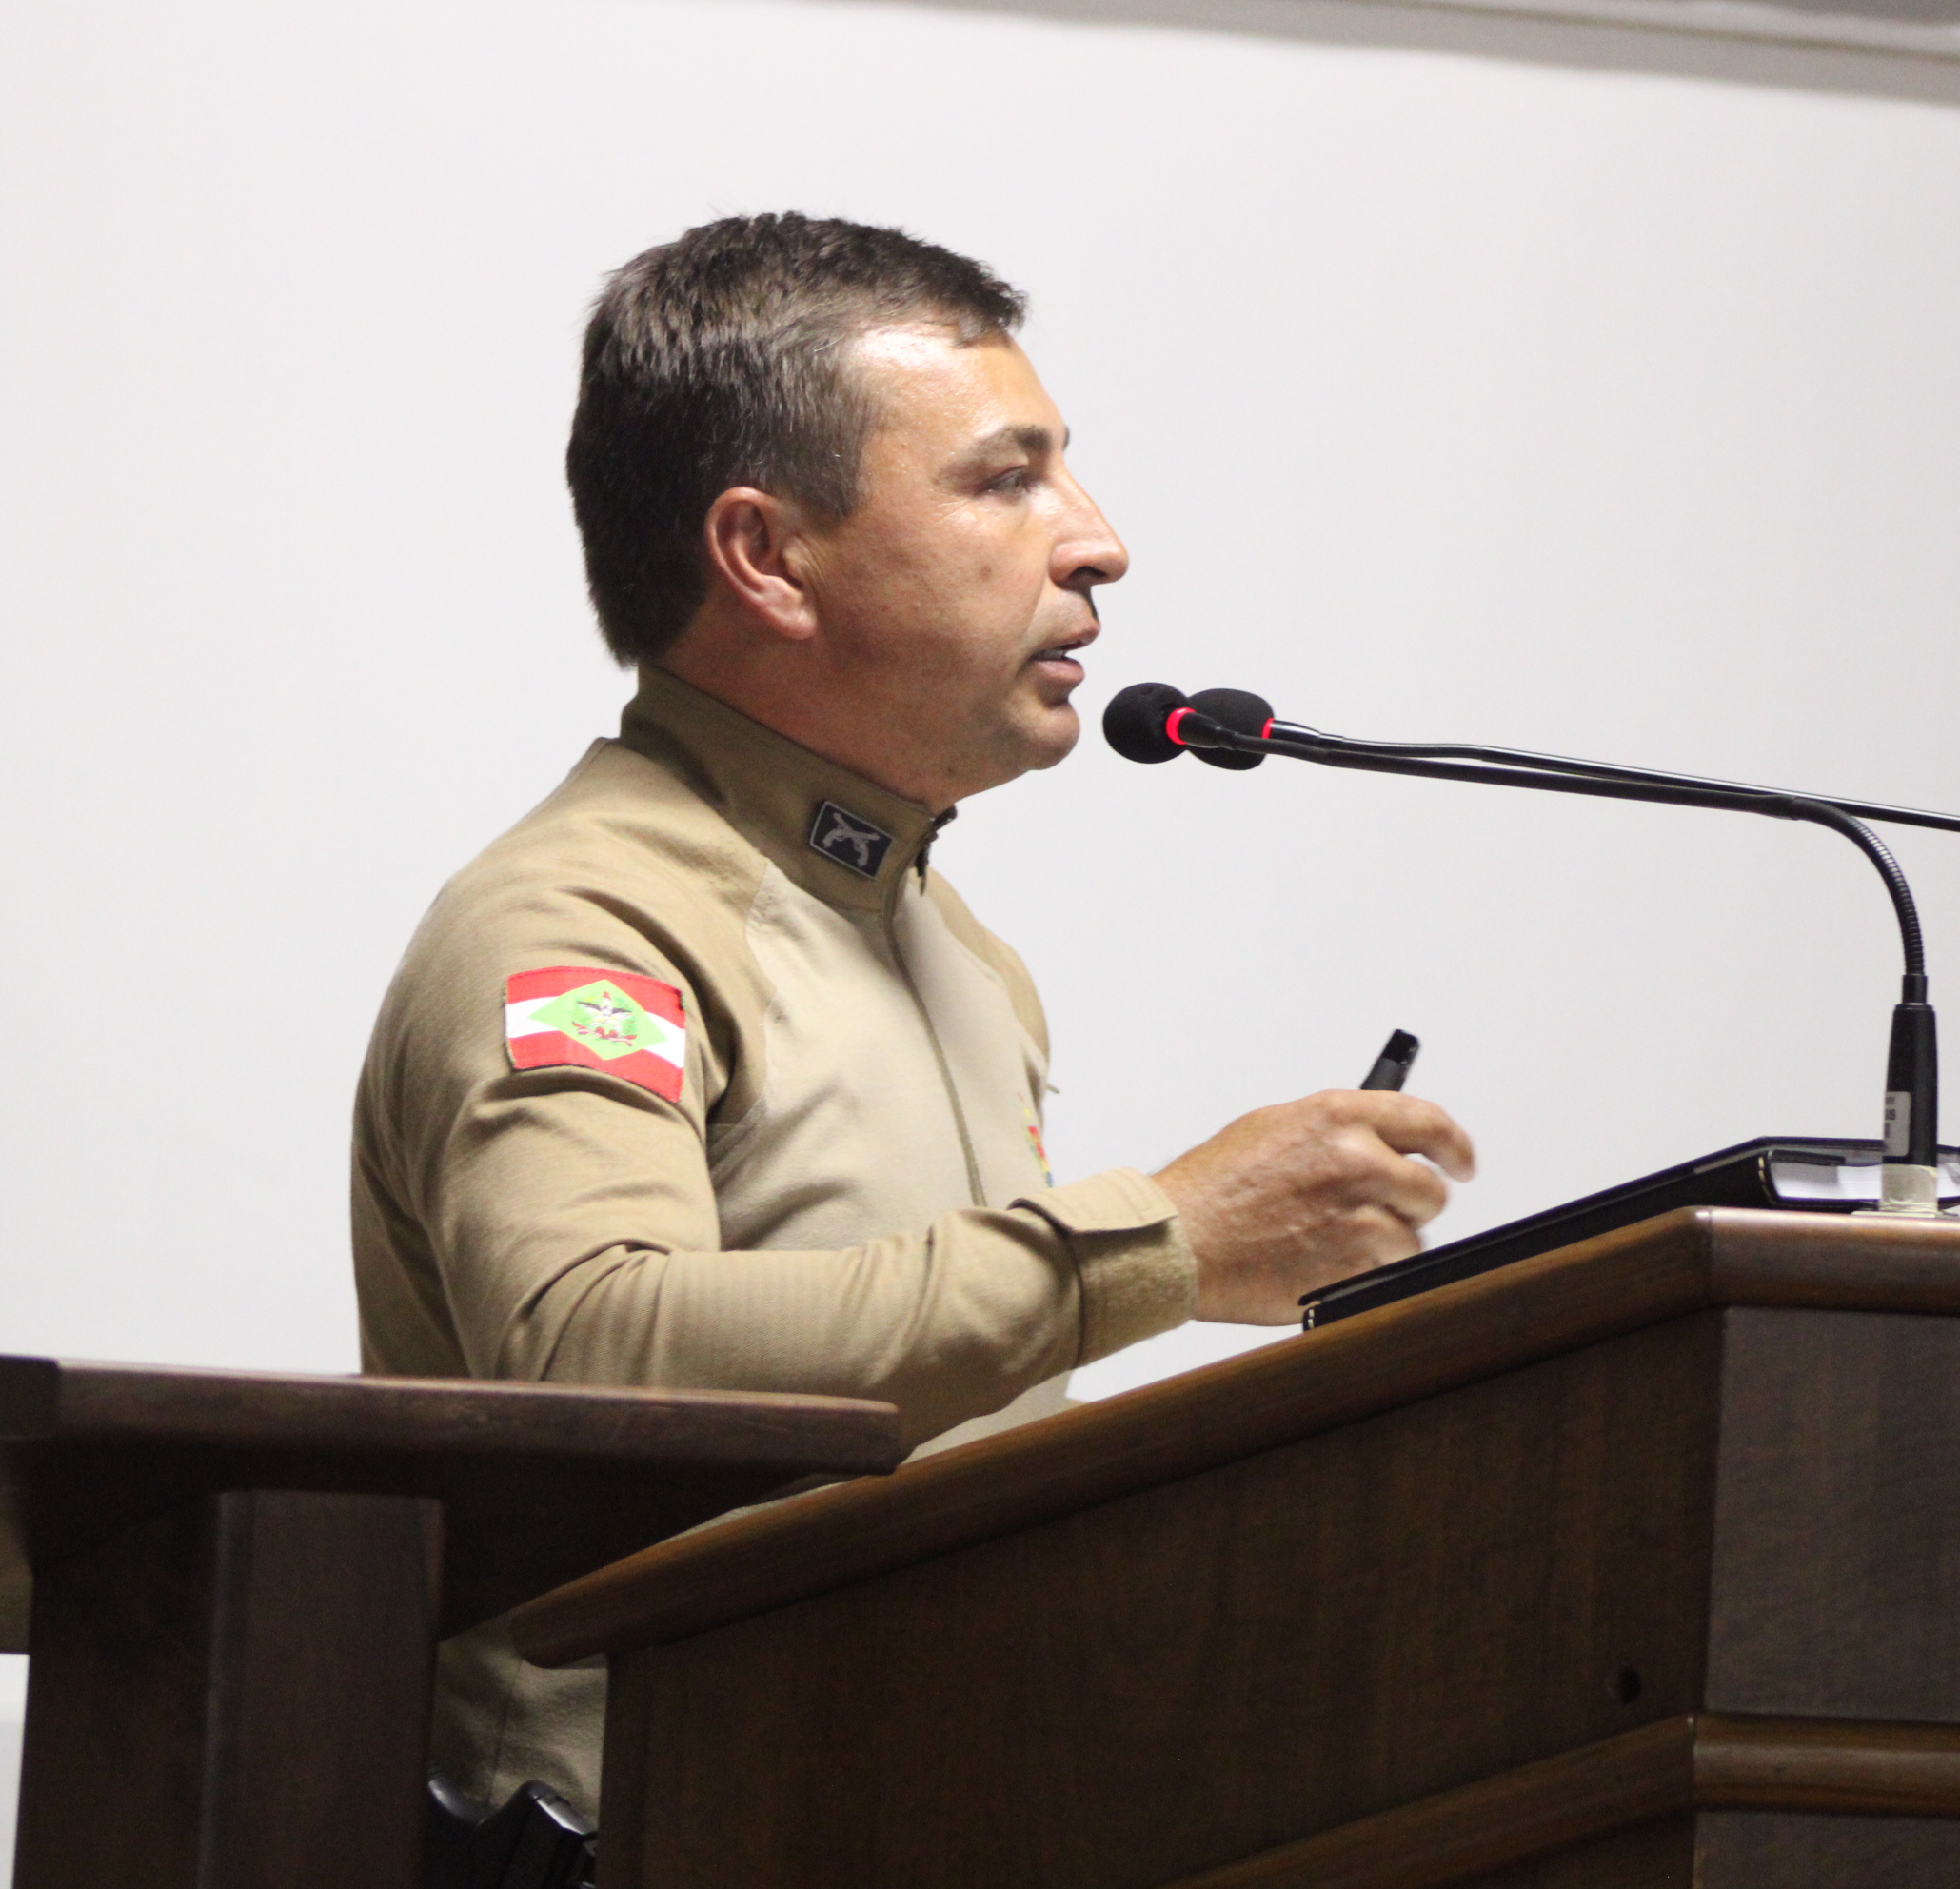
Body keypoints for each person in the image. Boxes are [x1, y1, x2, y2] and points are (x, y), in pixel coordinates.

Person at [351, 213, 1475, 1824]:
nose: (1097, 542)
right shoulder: (586, 917)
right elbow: (588, 1349)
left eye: (1063, 473)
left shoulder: (951, 942)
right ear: (764, 555)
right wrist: (1152, 1241)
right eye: (1006, 480)